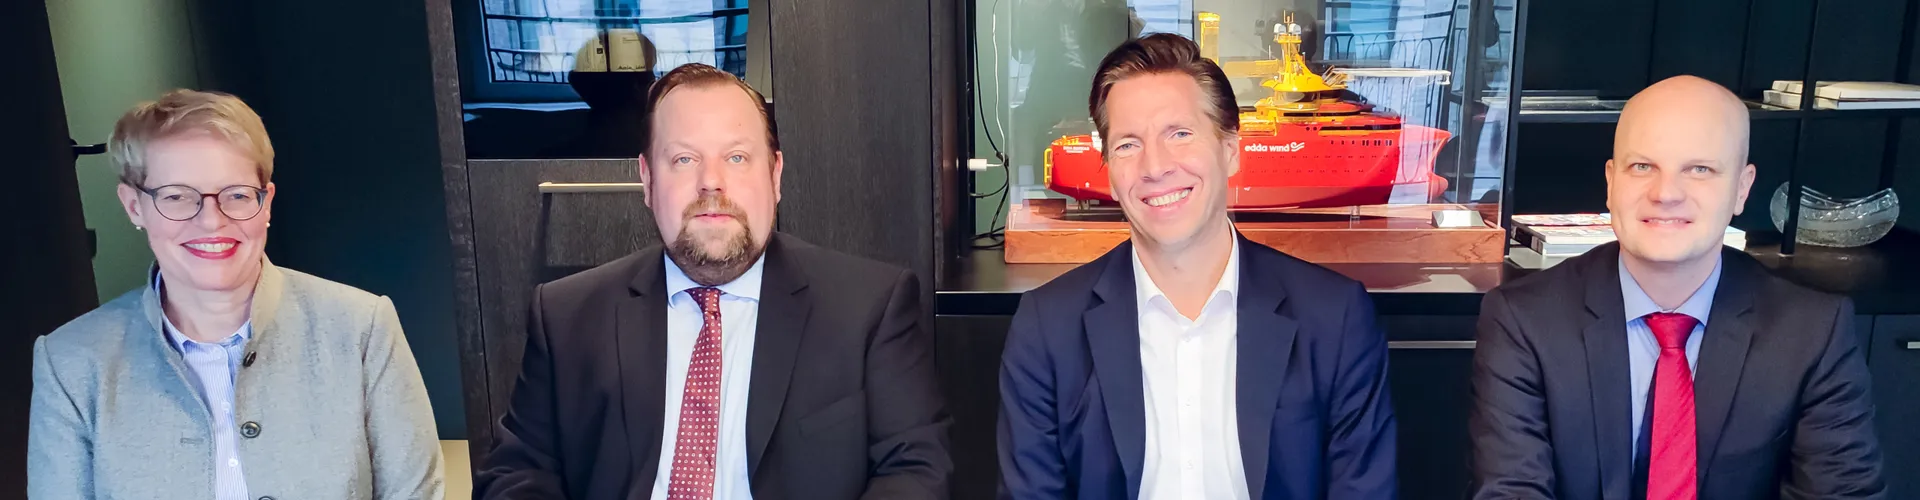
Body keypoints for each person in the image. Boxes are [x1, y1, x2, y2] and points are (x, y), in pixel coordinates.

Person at [473, 63, 952, 499]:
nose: (711, 182)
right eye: (684, 159)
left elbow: (916, 473)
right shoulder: (566, 316)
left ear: (775, 175)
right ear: (647, 180)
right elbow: (515, 474)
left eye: (737, 158)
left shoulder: (870, 308)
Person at [997, 33, 1398, 500]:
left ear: (1230, 150)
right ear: (1108, 166)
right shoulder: (1047, 329)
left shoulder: (1334, 318)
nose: (1155, 166)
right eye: (1127, 144)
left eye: (1180, 134)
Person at [1468, 75, 1885, 499]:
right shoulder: (1524, 320)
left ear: (1741, 189)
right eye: (1642, 167)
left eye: (1700, 169)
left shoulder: (1812, 331)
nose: (1665, 193)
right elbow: (1512, 490)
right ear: (1611, 183)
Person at [28, 89, 445, 499]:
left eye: (238, 195)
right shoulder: (71, 362)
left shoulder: (360, 327)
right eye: (177, 196)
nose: (212, 221)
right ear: (134, 205)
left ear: (266, 204)